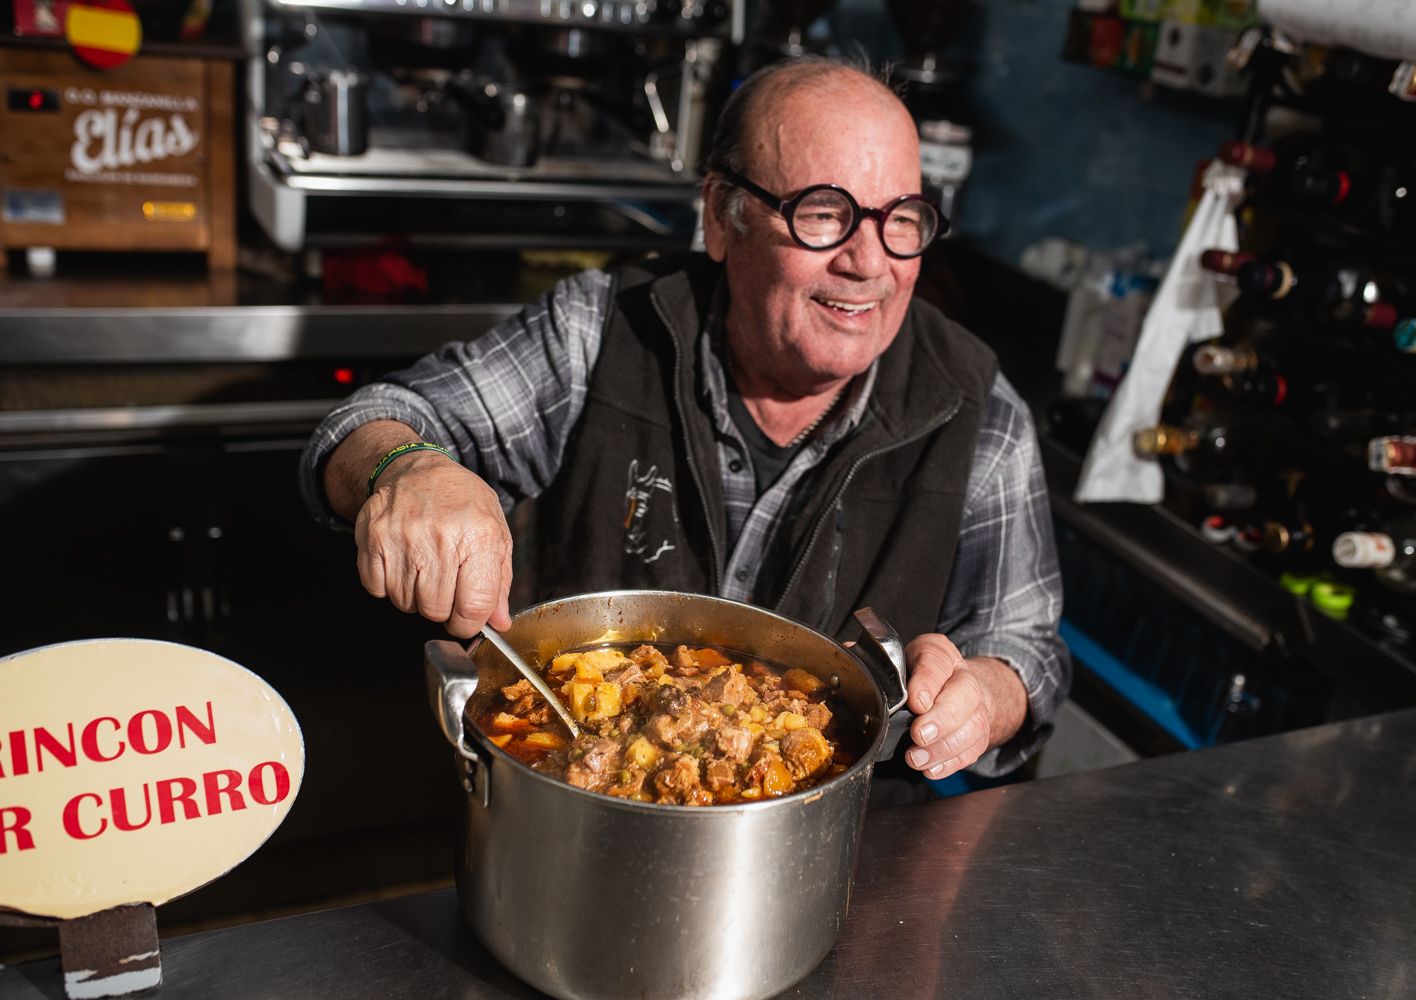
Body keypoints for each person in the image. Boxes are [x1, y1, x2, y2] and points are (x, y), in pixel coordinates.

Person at [300, 56, 1069, 799]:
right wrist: (407, 468)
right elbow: (365, 424)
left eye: (901, 219)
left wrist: (985, 692)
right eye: (825, 213)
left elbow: (1027, 648)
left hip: (849, 850)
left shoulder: (977, 409)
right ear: (721, 217)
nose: (869, 263)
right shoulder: (602, 331)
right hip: (571, 820)